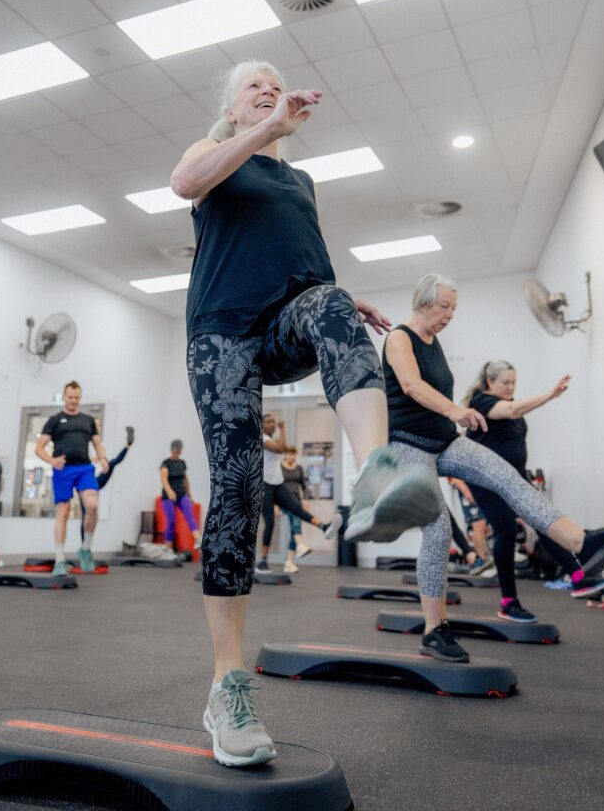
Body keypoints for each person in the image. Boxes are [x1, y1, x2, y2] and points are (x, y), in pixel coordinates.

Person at [171, 60, 443, 767]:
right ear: (233, 109)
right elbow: (185, 184)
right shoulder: (214, 151)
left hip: (282, 322)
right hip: (221, 334)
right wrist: (262, 131)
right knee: (238, 488)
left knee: (331, 300)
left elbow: (303, 261)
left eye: (275, 83)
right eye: (253, 87)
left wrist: (338, 302)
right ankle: (227, 686)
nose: (268, 89)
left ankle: (378, 472)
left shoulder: (302, 181)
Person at [382, 273, 587, 663]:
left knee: (509, 478)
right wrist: (455, 410)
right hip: (407, 444)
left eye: (454, 308)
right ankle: (434, 631)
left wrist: (453, 418)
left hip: (445, 440)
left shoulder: (434, 341)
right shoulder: (399, 337)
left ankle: (581, 544)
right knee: (438, 531)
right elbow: (411, 386)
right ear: (423, 302)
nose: (450, 315)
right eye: (445, 306)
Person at [463, 361, 604, 600]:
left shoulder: (511, 404)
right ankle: (508, 601)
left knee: (545, 523)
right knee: (506, 531)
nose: (511, 387)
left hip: (515, 477)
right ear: (489, 382)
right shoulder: (482, 403)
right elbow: (511, 411)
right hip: (487, 480)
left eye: (514, 382)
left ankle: (578, 578)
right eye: (505, 382)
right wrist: (550, 395)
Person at [34, 380, 108, 575]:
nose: (73, 400)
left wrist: (103, 458)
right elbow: (39, 448)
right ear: (64, 397)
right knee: (64, 512)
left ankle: (85, 548)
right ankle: (59, 560)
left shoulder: (88, 420)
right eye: (70, 397)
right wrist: (52, 461)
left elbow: (97, 444)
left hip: (84, 468)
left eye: (76, 397)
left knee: (92, 505)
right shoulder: (55, 420)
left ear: (80, 398)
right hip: (63, 469)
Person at [257, 414, 341, 574]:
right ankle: (263, 562)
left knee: (297, 509)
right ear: (262, 425)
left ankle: (324, 527)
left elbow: (280, 448)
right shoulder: (262, 438)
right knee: (270, 522)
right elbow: (280, 449)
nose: (272, 424)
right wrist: (283, 429)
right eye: (268, 422)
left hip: (278, 482)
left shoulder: (272, 439)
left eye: (274, 422)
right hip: (265, 484)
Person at [79, 426, 135, 544]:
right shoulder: (82, 446)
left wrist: (99, 459)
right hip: (86, 481)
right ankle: (85, 543)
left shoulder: (99, 445)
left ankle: (128, 444)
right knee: (86, 513)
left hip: (98, 478)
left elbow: (102, 457)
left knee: (113, 462)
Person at [159, 440, 201, 557]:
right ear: (171, 450)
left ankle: (198, 540)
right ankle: (168, 549)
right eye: (174, 451)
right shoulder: (165, 464)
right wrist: (169, 491)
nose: (176, 454)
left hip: (182, 494)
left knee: (190, 516)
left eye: (178, 452)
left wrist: (189, 495)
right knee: (171, 521)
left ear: (180, 451)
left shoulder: (182, 463)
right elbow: (164, 479)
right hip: (168, 497)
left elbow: (185, 480)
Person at [280, 444, 311, 573]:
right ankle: (300, 545)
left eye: (294, 454)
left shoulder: (299, 468)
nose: (292, 456)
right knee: (296, 519)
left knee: (295, 528)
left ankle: (289, 561)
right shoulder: (280, 468)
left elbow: (304, 486)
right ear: (285, 454)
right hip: (284, 500)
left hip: (296, 501)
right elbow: (275, 485)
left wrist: (305, 500)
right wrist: (275, 505)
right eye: (290, 454)